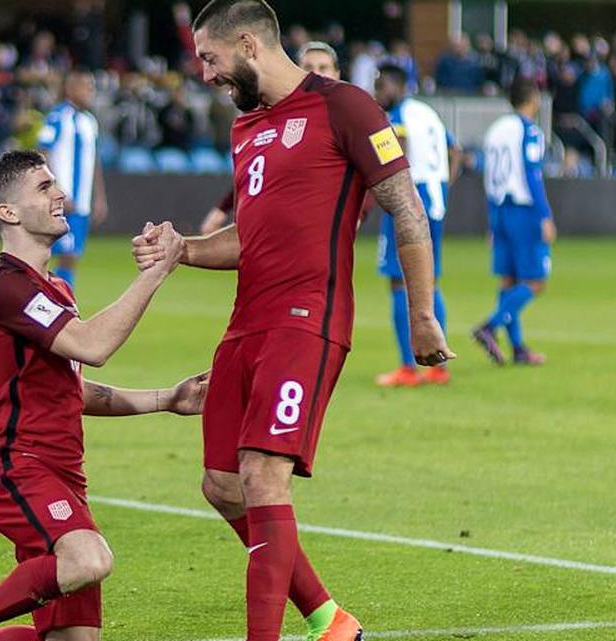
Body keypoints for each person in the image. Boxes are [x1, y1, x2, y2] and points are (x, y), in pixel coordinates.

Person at [134, 2, 453, 640]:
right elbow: (251, 236)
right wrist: (184, 252)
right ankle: (331, 622)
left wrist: (422, 314)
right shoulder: (246, 126)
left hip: (308, 321)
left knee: (261, 474)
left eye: (210, 58)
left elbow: (407, 211)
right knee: (222, 485)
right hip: (245, 325)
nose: (204, 73)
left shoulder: (347, 107)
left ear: (248, 44)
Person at [0, 150, 207, 641]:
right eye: (44, 186)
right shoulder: (2, 286)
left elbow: (70, 389)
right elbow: (93, 346)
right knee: (88, 558)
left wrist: (166, 398)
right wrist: (157, 271)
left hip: (63, 474)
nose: (62, 195)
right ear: (8, 213)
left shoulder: (52, 289)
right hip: (19, 466)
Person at [373, 63, 461, 387]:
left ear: (397, 85)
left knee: (399, 282)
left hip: (409, 195)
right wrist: (443, 186)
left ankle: (407, 367)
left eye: (381, 86)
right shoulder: (428, 113)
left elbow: (397, 156)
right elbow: (457, 151)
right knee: (430, 281)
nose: (378, 93)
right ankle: (438, 366)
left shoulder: (399, 117)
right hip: (434, 195)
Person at [200, 40, 341, 236]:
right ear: (297, 72)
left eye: (323, 67)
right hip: (280, 229)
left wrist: (360, 214)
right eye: (308, 67)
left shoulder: (347, 117)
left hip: (321, 230)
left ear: (337, 74)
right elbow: (258, 170)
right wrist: (222, 209)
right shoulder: (278, 115)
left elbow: (372, 172)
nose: (316, 73)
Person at [472, 80, 554, 365]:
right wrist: (544, 215)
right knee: (535, 281)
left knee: (508, 280)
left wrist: (493, 223)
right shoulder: (528, 130)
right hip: (523, 209)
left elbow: (489, 176)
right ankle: (490, 326)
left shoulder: (496, 130)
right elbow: (532, 175)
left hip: (500, 210)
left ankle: (518, 348)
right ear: (532, 99)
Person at [37, 71, 108, 290]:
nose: (90, 92)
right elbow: (42, 152)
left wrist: (99, 197)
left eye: (92, 87)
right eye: (86, 87)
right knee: (59, 253)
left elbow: (93, 161)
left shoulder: (89, 121)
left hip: (82, 202)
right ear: (70, 89)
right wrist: (54, 189)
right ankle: (50, 301)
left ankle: (59, 300)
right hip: (62, 200)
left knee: (73, 255)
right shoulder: (58, 117)